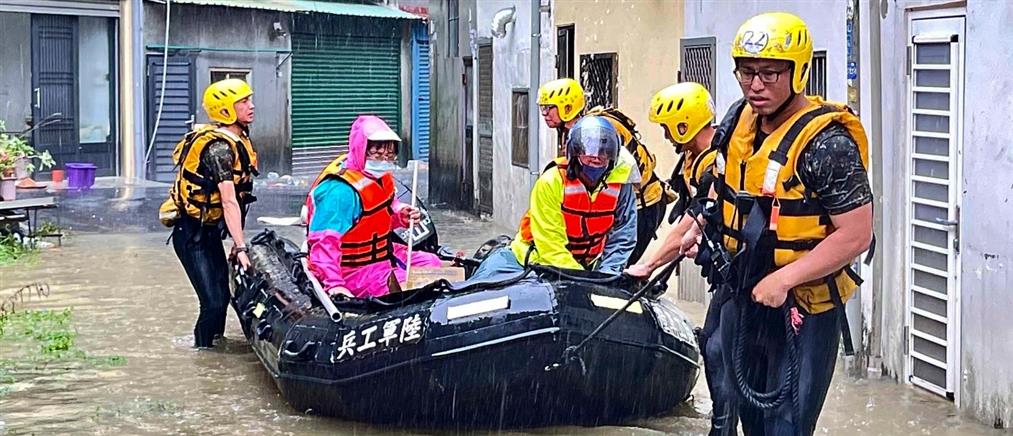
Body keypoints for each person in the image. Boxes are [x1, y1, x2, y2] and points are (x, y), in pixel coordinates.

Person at [682, 12, 874, 435]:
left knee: (785, 425)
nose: (756, 85)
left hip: (802, 305)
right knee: (745, 416)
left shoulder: (828, 145)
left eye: (770, 74)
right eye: (747, 73)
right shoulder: (737, 121)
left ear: (797, 71)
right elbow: (723, 187)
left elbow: (857, 234)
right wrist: (700, 231)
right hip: (743, 293)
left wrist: (785, 279)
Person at [468, 116, 639, 280]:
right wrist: (582, 279)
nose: (596, 157)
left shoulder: (621, 186)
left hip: (586, 266)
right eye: (588, 152)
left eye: (604, 152)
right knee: (480, 285)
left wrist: (606, 275)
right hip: (531, 259)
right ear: (574, 152)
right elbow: (551, 246)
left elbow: (624, 236)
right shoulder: (551, 182)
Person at [537, 78, 672, 264]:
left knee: (619, 267)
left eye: (548, 108)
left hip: (642, 202)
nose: (544, 114)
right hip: (617, 203)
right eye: (542, 108)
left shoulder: (599, 130)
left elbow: (625, 174)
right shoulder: (574, 132)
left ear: (566, 107)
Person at [304, 115, 441, 298]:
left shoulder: (381, 176)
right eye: (377, 155)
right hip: (351, 270)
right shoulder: (340, 192)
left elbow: (378, 216)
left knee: (432, 262)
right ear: (361, 150)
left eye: (389, 155)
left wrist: (401, 216)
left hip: (383, 256)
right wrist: (335, 284)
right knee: (406, 285)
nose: (384, 160)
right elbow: (324, 243)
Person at [169, 78, 258, 349]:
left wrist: (233, 242)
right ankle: (203, 354)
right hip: (190, 235)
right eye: (243, 102)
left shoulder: (238, 140)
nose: (251, 106)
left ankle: (216, 346)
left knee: (224, 295)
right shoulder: (218, 149)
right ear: (225, 110)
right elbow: (229, 201)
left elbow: (241, 199)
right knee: (213, 302)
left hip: (208, 233)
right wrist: (240, 246)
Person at [625, 81, 720, 279]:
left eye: (666, 128)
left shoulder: (714, 163)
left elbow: (686, 227)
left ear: (684, 126)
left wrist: (648, 267)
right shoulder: (692, 155)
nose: (666, 136)